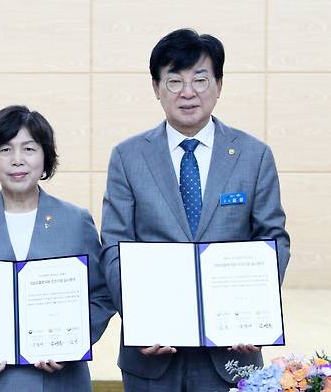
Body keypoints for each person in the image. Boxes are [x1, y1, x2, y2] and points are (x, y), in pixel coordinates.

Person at [100, 28, 291, 391]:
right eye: (174, 81)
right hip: (151, 355)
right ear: (156, 88)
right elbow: (114, 247)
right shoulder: (127, 157)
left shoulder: (254, 156)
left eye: (200, 79)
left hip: (232, 354)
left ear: (219, 85)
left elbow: (273, 240)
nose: (188, 92)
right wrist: (140, 319)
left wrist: (256, 313)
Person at [0, 105, 116, 392]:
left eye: (29, 149)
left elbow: (102, 296)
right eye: (5, 150)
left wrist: (73, 344)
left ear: (45, 157)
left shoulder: (75, 221)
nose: (17, 160)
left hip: (58, 381)